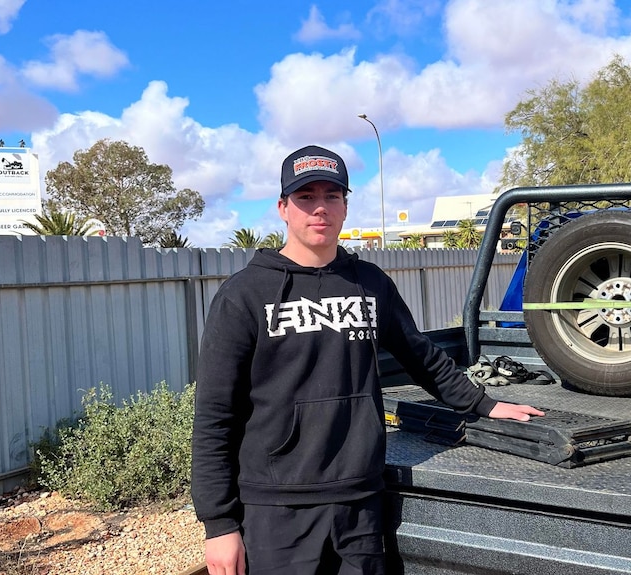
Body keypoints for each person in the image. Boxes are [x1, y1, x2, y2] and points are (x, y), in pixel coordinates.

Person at [191, 144, 544, 575]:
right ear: (283, 208)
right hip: (276, 506)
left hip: (361, 501)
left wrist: (482, 403)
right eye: (306, 197)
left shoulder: (370, 284)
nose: (319, 208)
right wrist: (219, 524)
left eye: (332, 196)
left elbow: (420, 355)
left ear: (344, 206)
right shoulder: (244, 295)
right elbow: (214, 415)